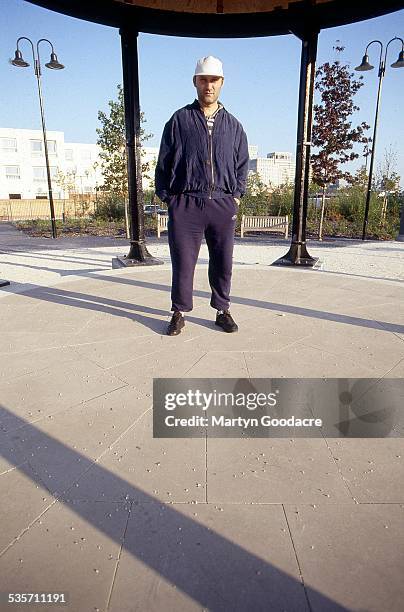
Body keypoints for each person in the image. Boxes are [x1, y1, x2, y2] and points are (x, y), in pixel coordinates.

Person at [155, 55, 249, 336]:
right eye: (203, 79)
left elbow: (242, 164)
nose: (208, 85)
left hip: (222, 202)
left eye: (214, 80)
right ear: (195, 82)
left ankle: (222, 310)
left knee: (223, 261)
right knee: (183, 262)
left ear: (222, 83)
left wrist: (236, 196)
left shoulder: (234, 126)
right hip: (186, 204)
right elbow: (164, 162)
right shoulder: (179, 120)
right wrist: (169, 198)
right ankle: (179, 311)